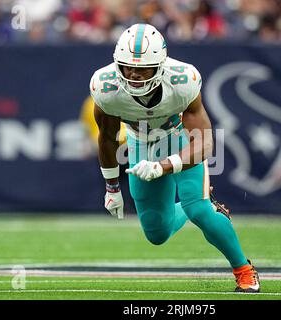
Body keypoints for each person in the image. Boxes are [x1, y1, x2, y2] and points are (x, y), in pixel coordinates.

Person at [89, 23, 260, 293]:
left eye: (141, 68)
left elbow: (204, 143)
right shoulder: (106, 86)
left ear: (160, 65)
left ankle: (244, 270)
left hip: (179, 138)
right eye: (127, 67)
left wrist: (163, 166)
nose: (133, 74)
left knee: (199, 210)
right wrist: (111, 186)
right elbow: (107, 137)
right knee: (157, 234)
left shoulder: (182, 81)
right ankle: (199, 203)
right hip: (140, 142)